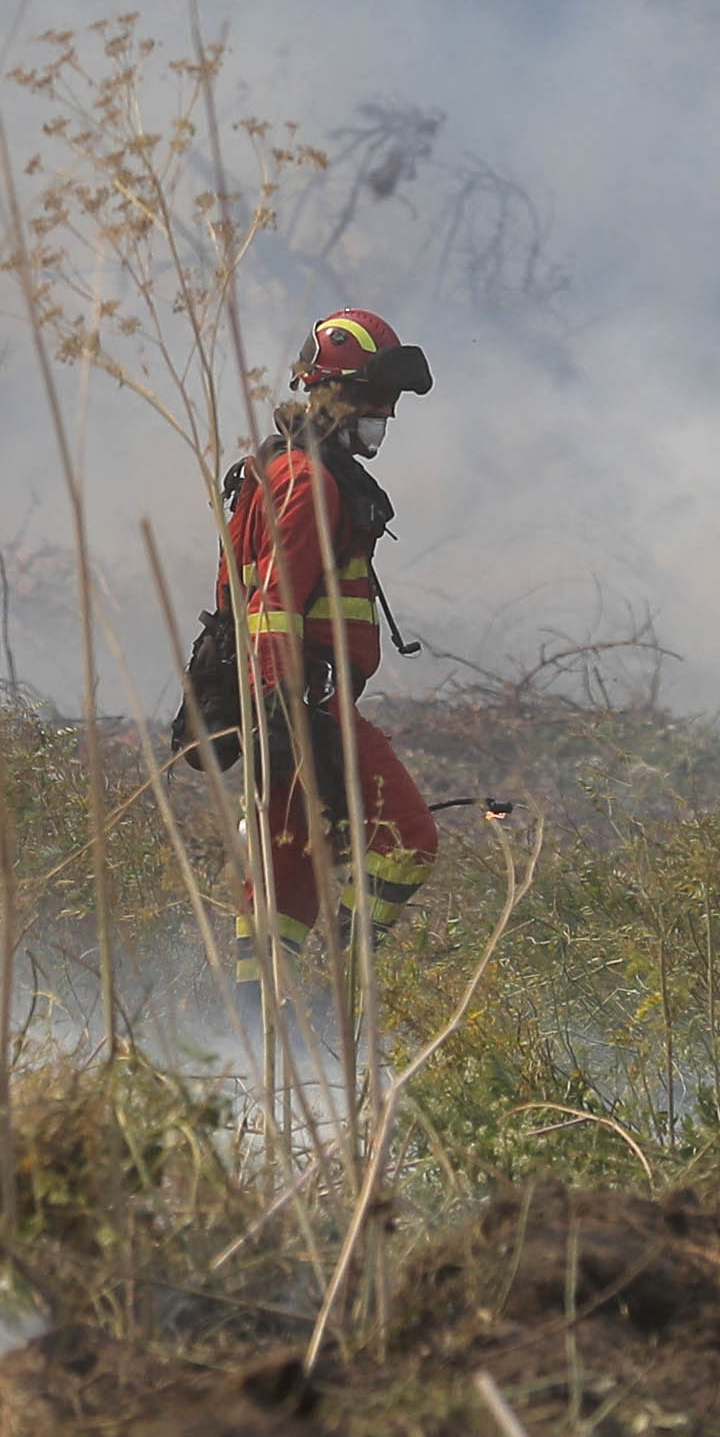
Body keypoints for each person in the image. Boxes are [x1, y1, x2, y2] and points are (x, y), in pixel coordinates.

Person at [224, 308, 442, 959]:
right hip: (301, 708)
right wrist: (287, 718)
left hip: (286, 708)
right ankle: (344, 997)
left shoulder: (284, 469)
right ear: (333, 390)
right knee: (407, 842)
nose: (388, 414)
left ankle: (252, 1034)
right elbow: (272, 604)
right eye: (376, 397)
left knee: (285, 886)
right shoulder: (308, 481)